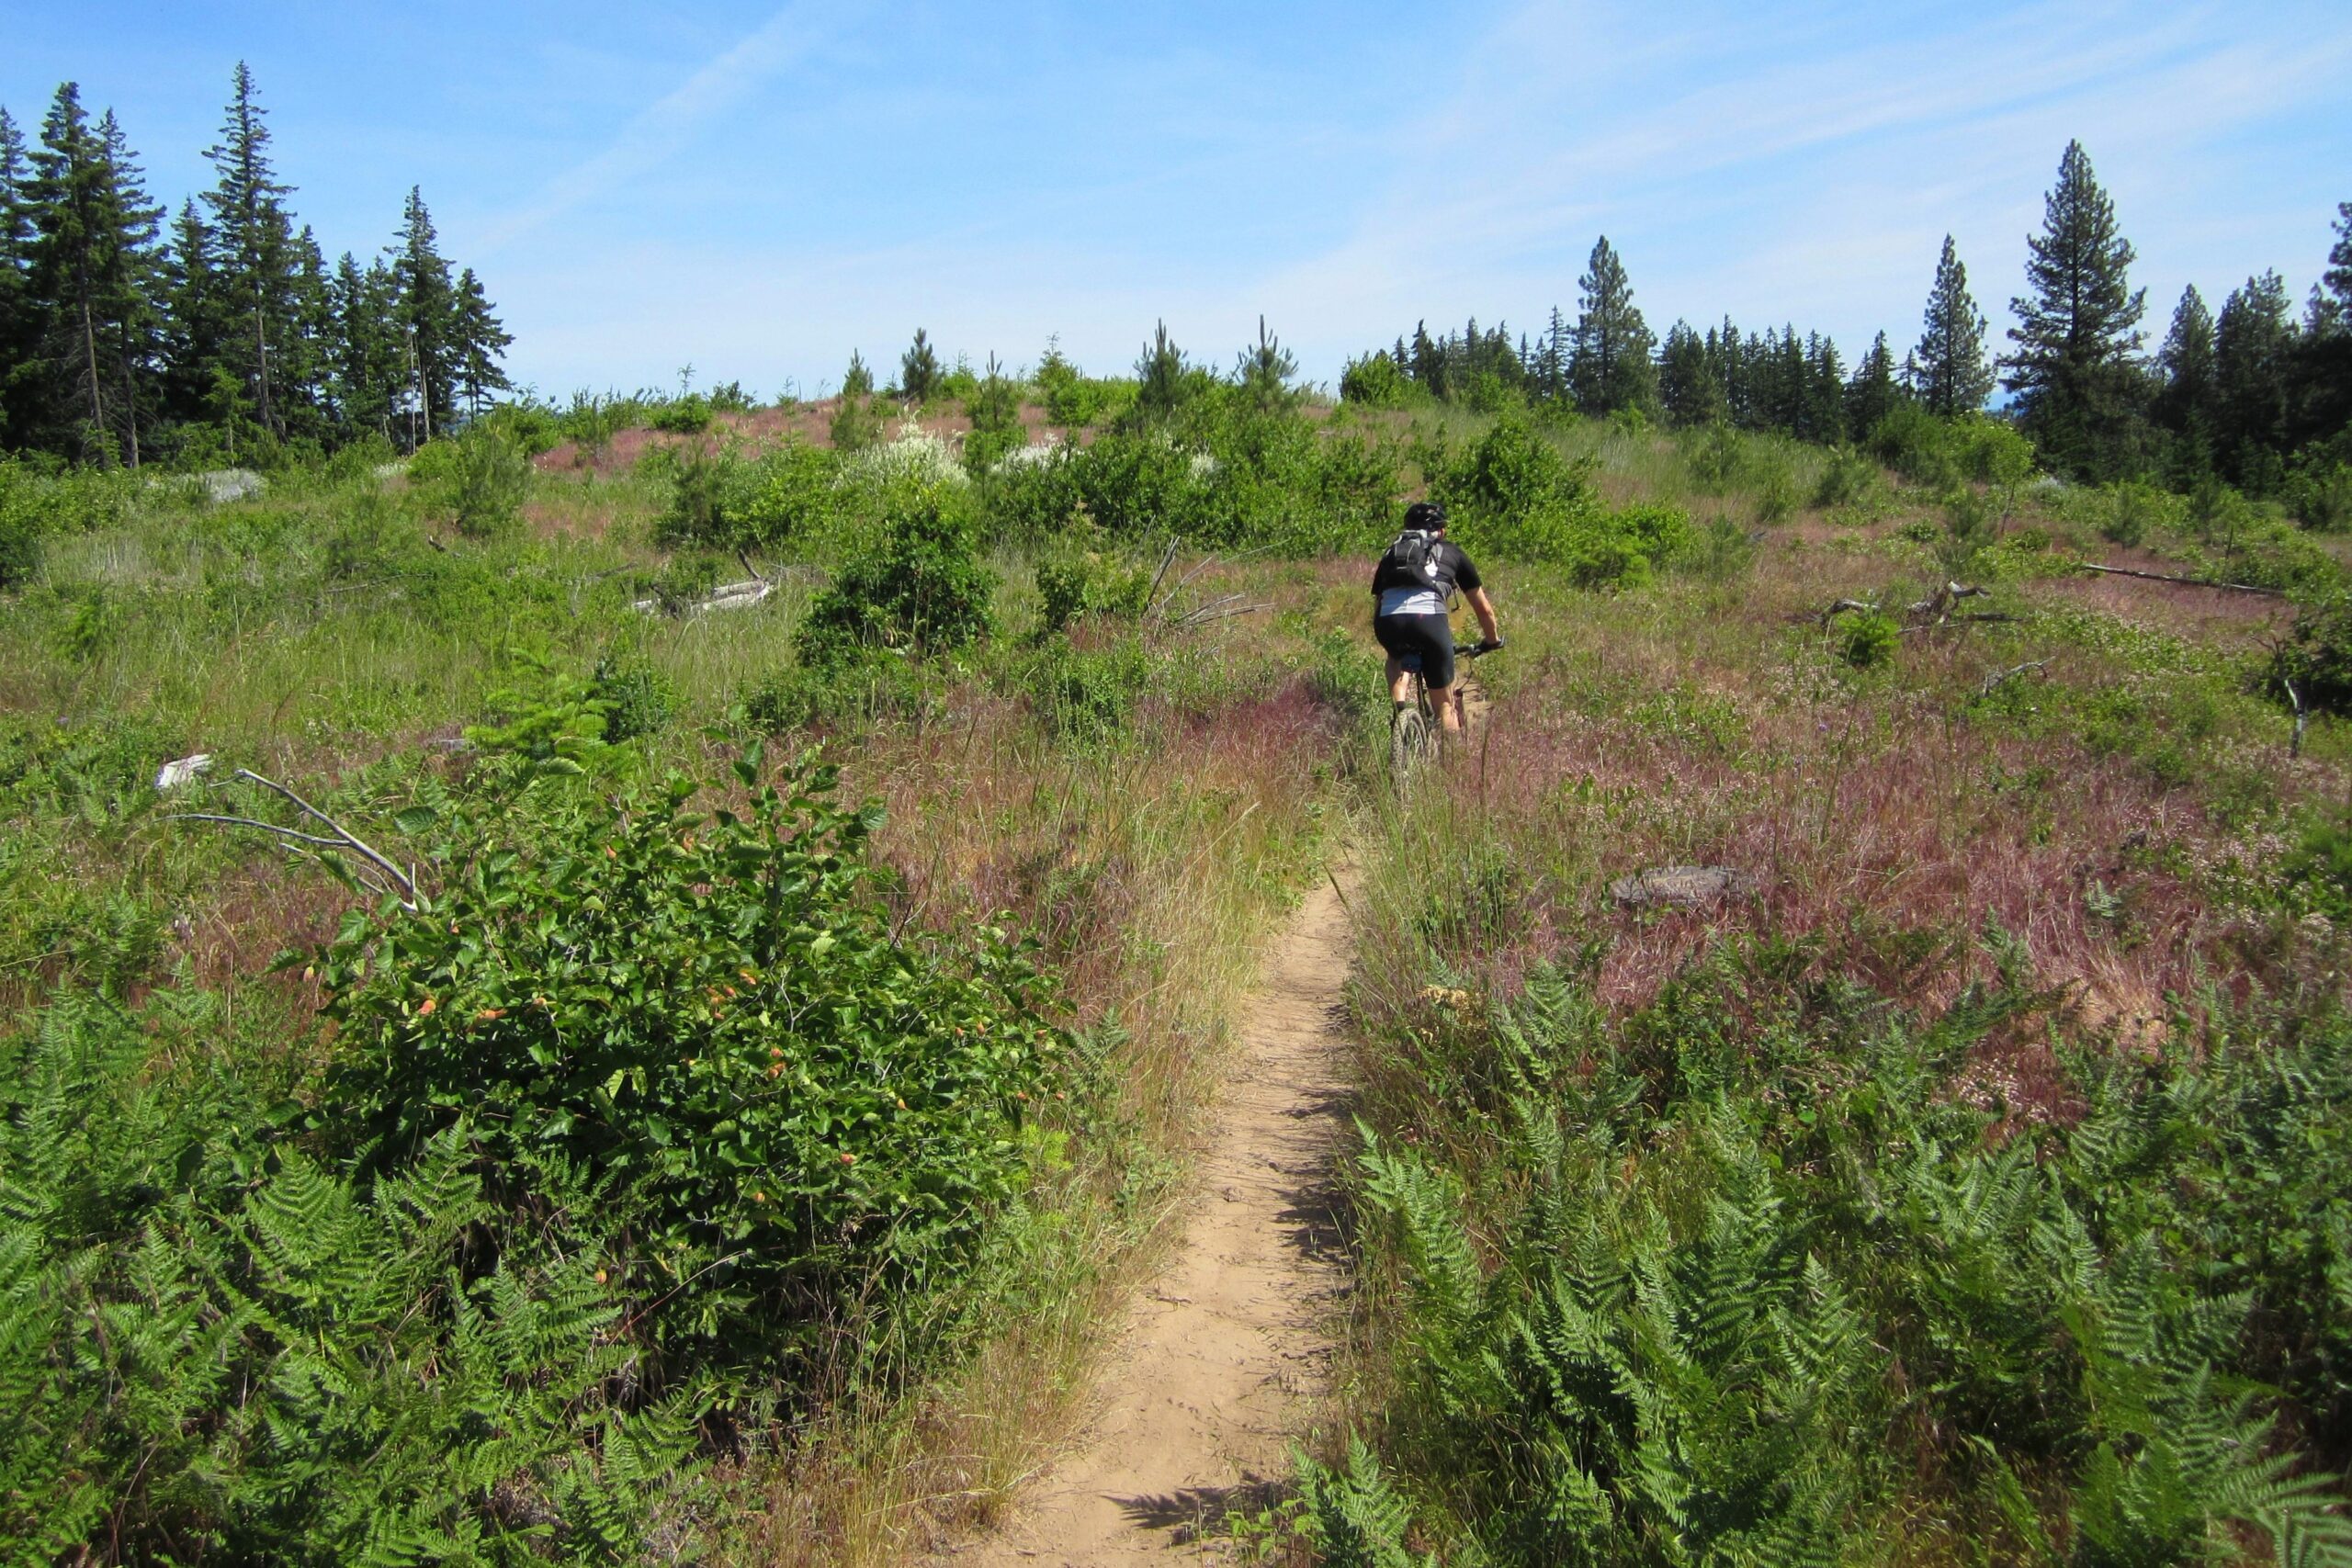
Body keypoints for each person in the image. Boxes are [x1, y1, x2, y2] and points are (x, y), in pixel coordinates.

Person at [1370, 501, 1500, 737]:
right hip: (1429, 619)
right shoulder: (1452, 552)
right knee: (1445, 706)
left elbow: (1378, 600)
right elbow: (1484, 610)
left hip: (1388, 621)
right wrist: (1492, 641)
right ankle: (1452, 765)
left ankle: (1399, 711)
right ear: (1440, 530)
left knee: (1395, 656)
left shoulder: (1392, 552)